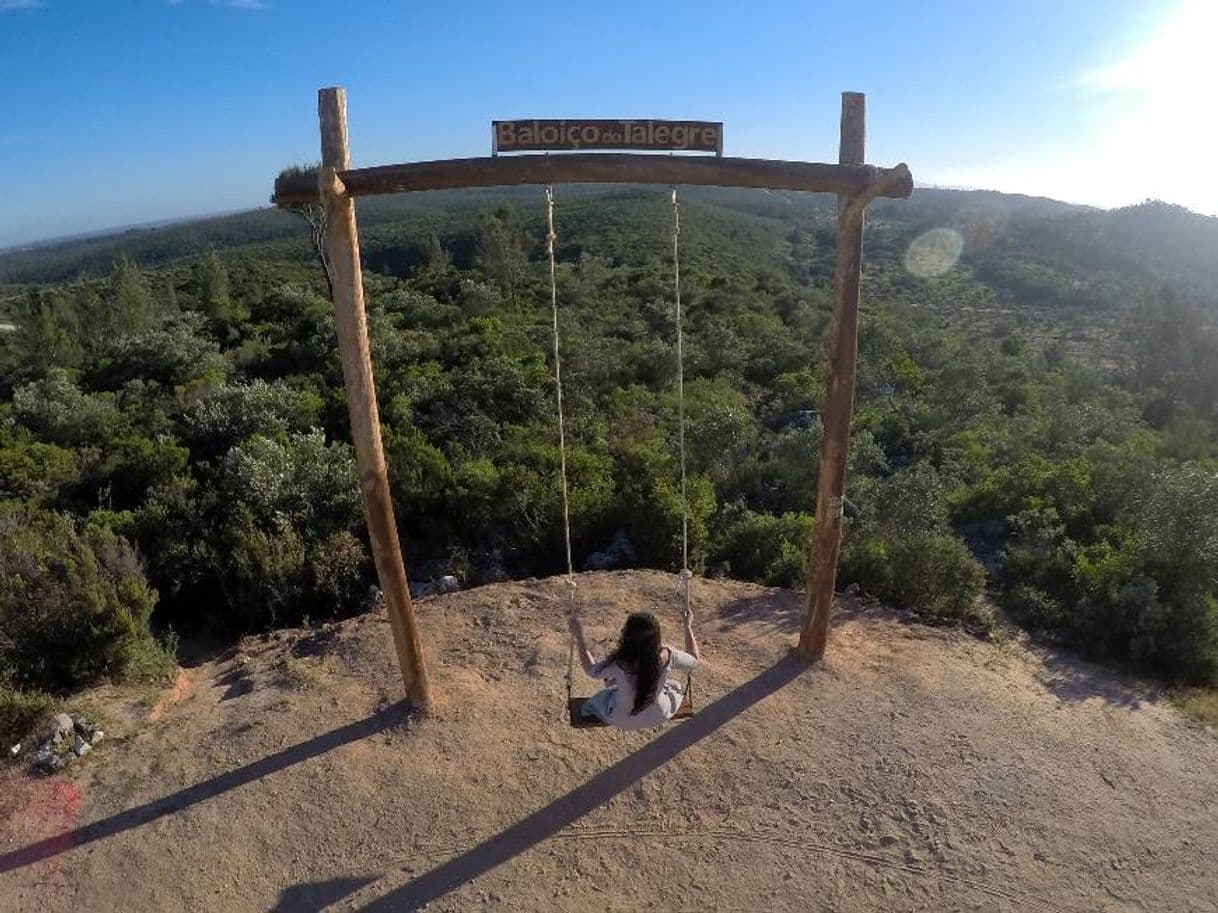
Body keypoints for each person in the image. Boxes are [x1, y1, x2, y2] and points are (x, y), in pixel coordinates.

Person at [566, 608, 700, 729]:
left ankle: (614, 684)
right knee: (674, 686)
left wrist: (579, 636)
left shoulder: (620, 662)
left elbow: (592, 671)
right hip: (658, 715)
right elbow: (694, 660)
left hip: (623, 719)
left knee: (606, 694)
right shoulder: (668, 655)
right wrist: (687, 626)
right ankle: (614, 683)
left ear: (626, 636)